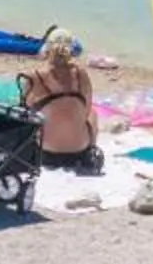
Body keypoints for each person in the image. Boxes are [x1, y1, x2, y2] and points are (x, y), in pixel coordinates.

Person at [20, 34, 100, 173]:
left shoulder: (35, 76)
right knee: (92, 113)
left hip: (45, 152)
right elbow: (86, 111)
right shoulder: (81, 74)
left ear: (47, 49)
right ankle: (90, 148)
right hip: (80, 150)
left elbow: (25, 110)